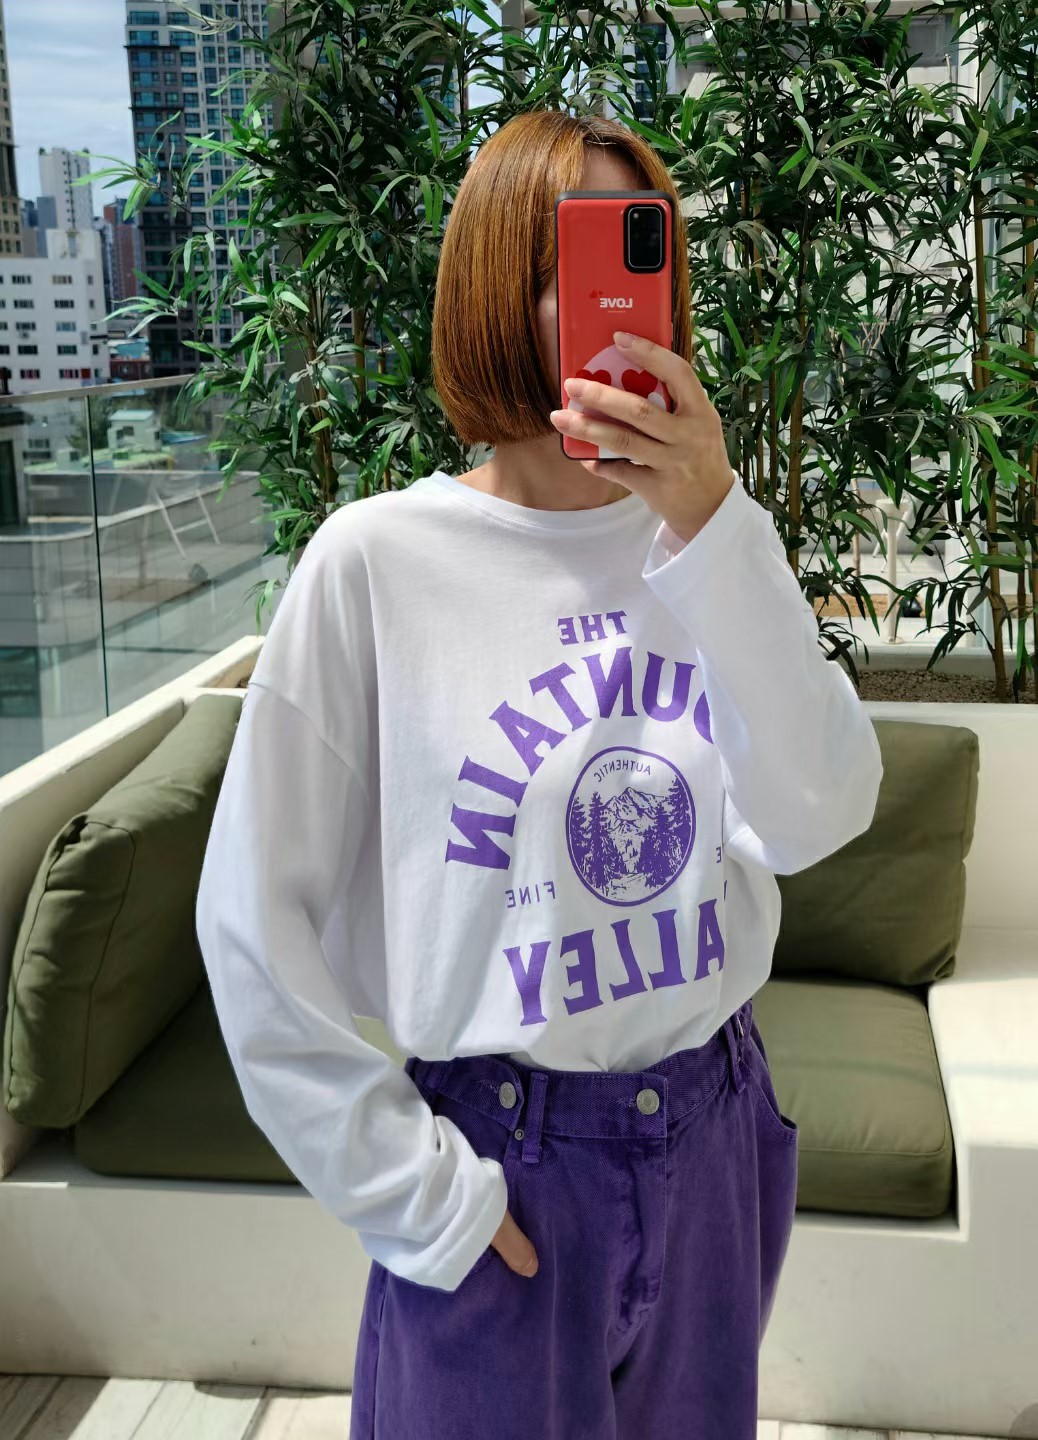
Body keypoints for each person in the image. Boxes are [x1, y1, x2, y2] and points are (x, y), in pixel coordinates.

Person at [195, 108, 883, 1440]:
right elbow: (249, 924)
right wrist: (422, 1201)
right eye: (568, 263)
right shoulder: (377, 564)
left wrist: (715, 524)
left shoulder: (710, 545)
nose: (610, 305)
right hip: (502, 1160)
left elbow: (817, 815)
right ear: (492, 293)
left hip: (711, 1130)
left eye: (635, 254)